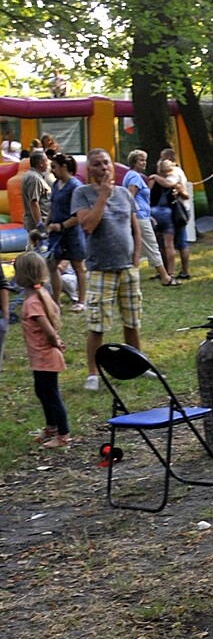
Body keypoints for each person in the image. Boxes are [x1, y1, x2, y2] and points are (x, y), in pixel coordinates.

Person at [71, 148, 142, 392]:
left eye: (107, 163)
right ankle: (92, 373)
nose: (104, 168)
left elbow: (135, 228)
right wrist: (102, 197)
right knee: (97, 324)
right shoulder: (82, 194)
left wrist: (135, 257)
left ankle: (138, 365)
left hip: (127, 268)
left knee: (132, 320)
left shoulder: (124, 193)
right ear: (89, 169)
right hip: (101, 268)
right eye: (98, 164)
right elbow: (88, 226)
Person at [13, 250, 70, 447]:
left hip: (46, 357)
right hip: (40, 357)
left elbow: (48, 330)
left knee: (51, 395)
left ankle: (63, 435)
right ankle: (51, 426)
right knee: (42, 391)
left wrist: (56, 342)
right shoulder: (41, 294)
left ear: (22, 276)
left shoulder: (32, 303)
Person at [122, 150, 176, 286]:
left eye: (144, 160)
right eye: (141, 160)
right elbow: (130, 197)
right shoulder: (134, 177)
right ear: (134, 162)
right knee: (152, 246)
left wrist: (148, 215)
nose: (144, 162)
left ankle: (127, 277)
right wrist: (137, 214)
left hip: (141, 216)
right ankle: (165, 277)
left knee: (134, 249)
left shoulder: (132, 175)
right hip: (139, 218)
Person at [45, 153, 87, 312]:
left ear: (64, 167)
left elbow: (79, 216)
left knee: (78, 265)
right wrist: (46, 223)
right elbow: (53, 206)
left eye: (54, 167)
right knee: (52, 264)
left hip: (72, 233)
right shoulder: (56, 184)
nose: (52, 170)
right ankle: (55, 300)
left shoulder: (75, 186)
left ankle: (81, 301)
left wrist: (61, 226)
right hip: (56, 232)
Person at [157, 148, 192, 279]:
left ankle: (174, 272)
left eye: (162, 158)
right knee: (175, 242)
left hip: (175, 211)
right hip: (178, 210)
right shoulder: (177, 171)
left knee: (171, 243)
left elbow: (169, 184)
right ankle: (178, 271)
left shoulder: (173, 172)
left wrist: (155, 177)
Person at [149, 158, 185, 279]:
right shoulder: (173, 181)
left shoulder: (153, 180)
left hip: (154, 212)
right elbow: (184, 194)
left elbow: (148, 195)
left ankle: (160, 271)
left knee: (158, 245)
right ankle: (171, 272)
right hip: (168, 213)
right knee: (169, 245)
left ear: (159, 169)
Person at [20, 149, 52, 236]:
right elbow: (34, 202)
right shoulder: (34, 178)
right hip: (37, 223)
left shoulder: (33, 175)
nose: (48, 163)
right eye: (46, 161)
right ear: (41, 163)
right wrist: (40, 224)